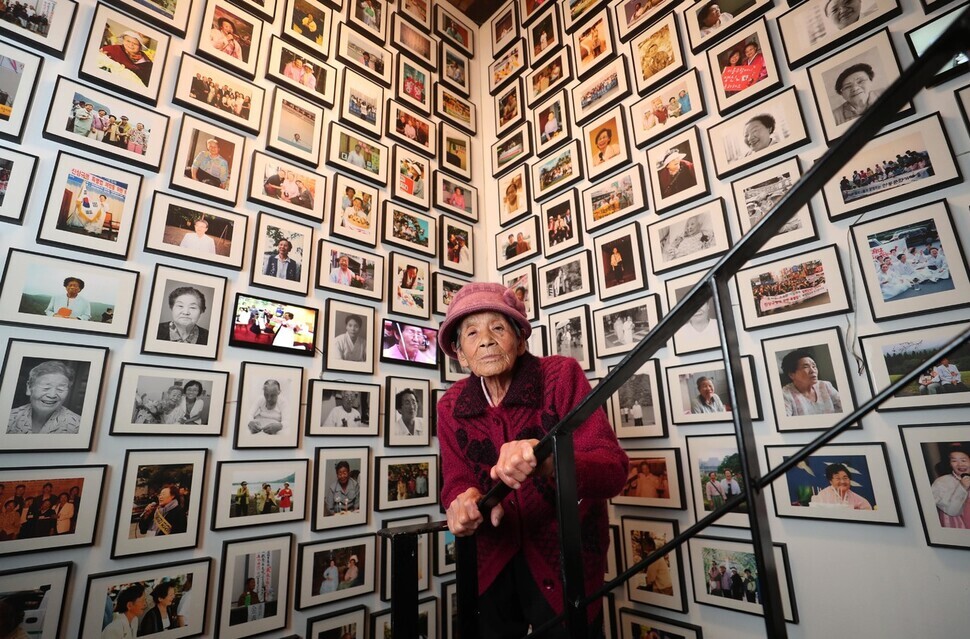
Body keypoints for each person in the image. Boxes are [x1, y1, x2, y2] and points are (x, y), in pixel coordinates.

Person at [436, 283, 628, 638]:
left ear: (520, 341)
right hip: (489, 563)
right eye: (472, 332)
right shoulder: (450, 405)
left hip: (564, 560)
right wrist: (461, 500)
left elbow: (612, 469)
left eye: (498, 327)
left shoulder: (560, 376)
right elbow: (456, 480)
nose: (486, 340)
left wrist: (549, 459)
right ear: (460, 354)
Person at [6, 360, 81, 434]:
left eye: (60, 389)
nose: (52, 395)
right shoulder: (8, 418)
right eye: (46, 387)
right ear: (29, 388)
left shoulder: (78, 425)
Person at [780, 349, 842, 416]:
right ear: (791, 374)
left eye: (814, 366)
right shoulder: (785, 395)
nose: (813, 370)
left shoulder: (825, 385)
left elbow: (846, 408)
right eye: (805, 367)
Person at [931, 443, 970, 528]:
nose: (960, 464)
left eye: (963, 460)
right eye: (954, 461)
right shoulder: (942, 483)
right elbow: (952, 511)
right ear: (949, 463)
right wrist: (962, 488)